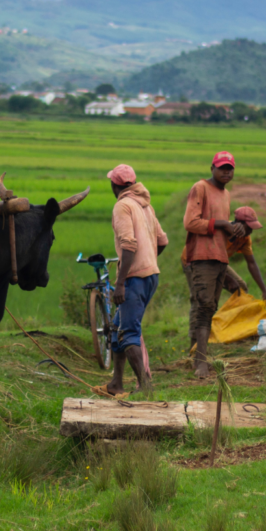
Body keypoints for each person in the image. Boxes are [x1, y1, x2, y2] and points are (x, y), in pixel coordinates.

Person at [99, 163, 168, 397]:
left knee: (128, 334)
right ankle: (116, 384)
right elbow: (162, 241)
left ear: (115, 185)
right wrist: (148, 260)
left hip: (133, 279)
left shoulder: (123, 206)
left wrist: (120, 283)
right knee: (118, 328)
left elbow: (128, 245)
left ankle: (146, 389)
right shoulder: (145, 206)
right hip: (150, 276)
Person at [183, 151, 246, 378]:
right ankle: (200, 363)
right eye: (222, 167)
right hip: (202, 257)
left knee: (209, 309)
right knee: (203, 308)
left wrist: (234, 229)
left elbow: (221, 231)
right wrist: (222, 223)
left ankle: (200, 358)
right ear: (212, 168)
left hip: (219, 257)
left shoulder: (226, 194)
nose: (226, 172)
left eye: (230, 168)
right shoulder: (200, 188)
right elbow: (190, 223)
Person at [217, 206, 266, 301]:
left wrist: (264, 291)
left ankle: (237, 314)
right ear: (239, 224)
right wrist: (228, 278)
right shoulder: (222, 231)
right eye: (249, 227)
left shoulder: (244, 238)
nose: (251, 231)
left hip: (220, 264)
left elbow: (251, 263)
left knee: (241, 287)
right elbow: (211, 259)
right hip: (196, 261)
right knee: (205, 296)